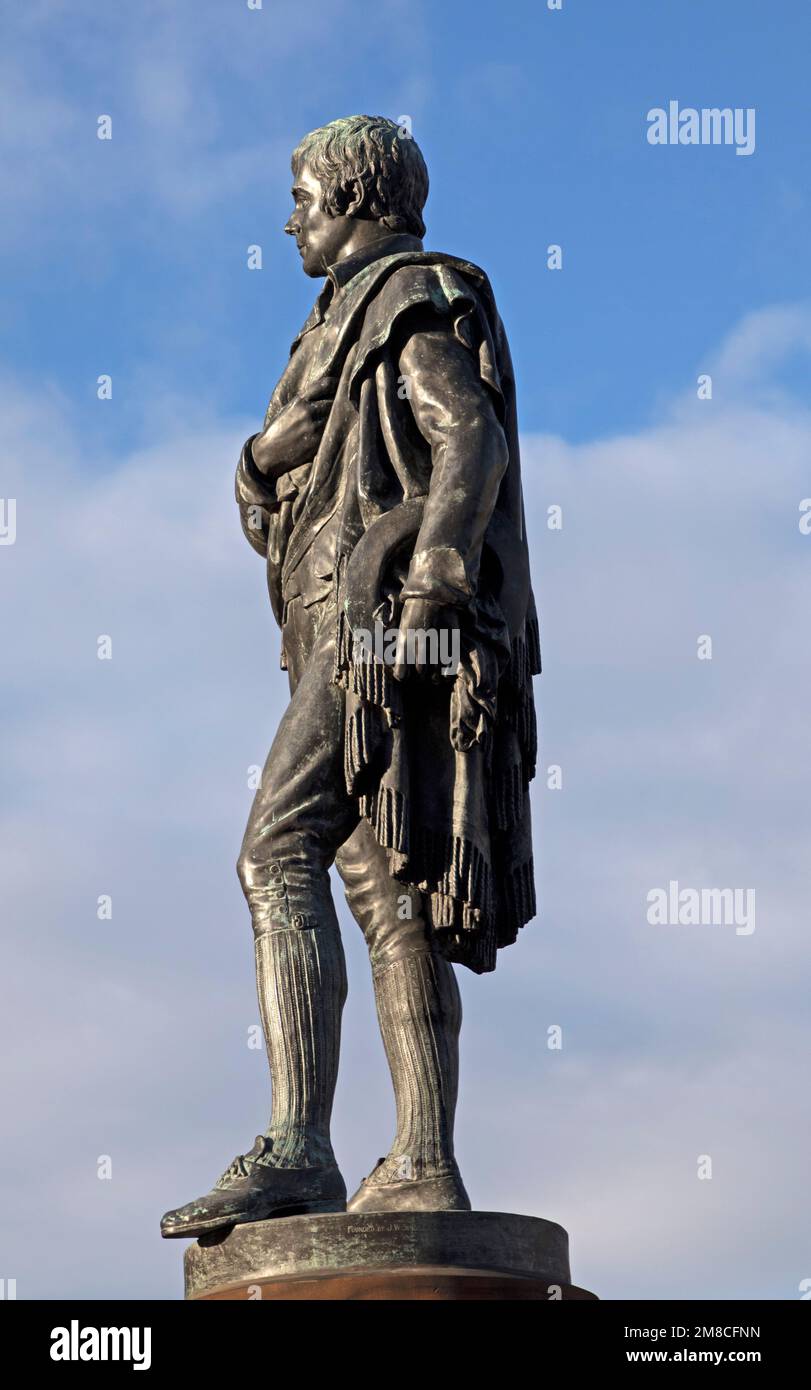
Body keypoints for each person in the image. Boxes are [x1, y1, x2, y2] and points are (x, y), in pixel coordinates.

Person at [161, 115, 540, 1240]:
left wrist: (428, 574)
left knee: (274, 848)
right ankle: (422, 1162)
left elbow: (466, 437)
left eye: (305, 199)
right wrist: (259, 457)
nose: (291, 220)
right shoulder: (334, 320)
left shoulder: (402, 295)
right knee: (384, 890)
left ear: (355, 198)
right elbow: (295, 464)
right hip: (343, 624)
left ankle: (298, 1147)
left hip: (378, 625)